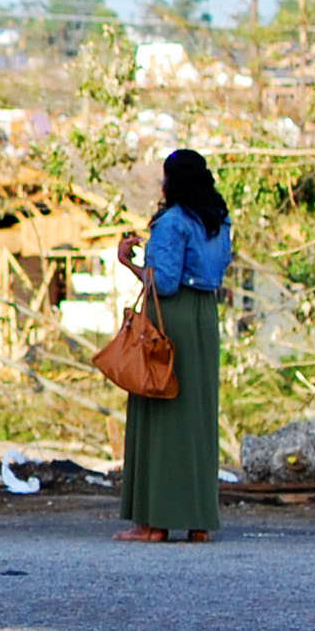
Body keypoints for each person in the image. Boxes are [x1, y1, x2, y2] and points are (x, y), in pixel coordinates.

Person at [114, 148, 232, 544]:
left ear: (172, 181)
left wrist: (128, 261)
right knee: (196, 418)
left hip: (173, 318)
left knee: (161, 413)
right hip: (205, 319)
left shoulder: (172, 222)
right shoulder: (218, 221)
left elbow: (162, 282)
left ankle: (154, 524)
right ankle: (198, 522)